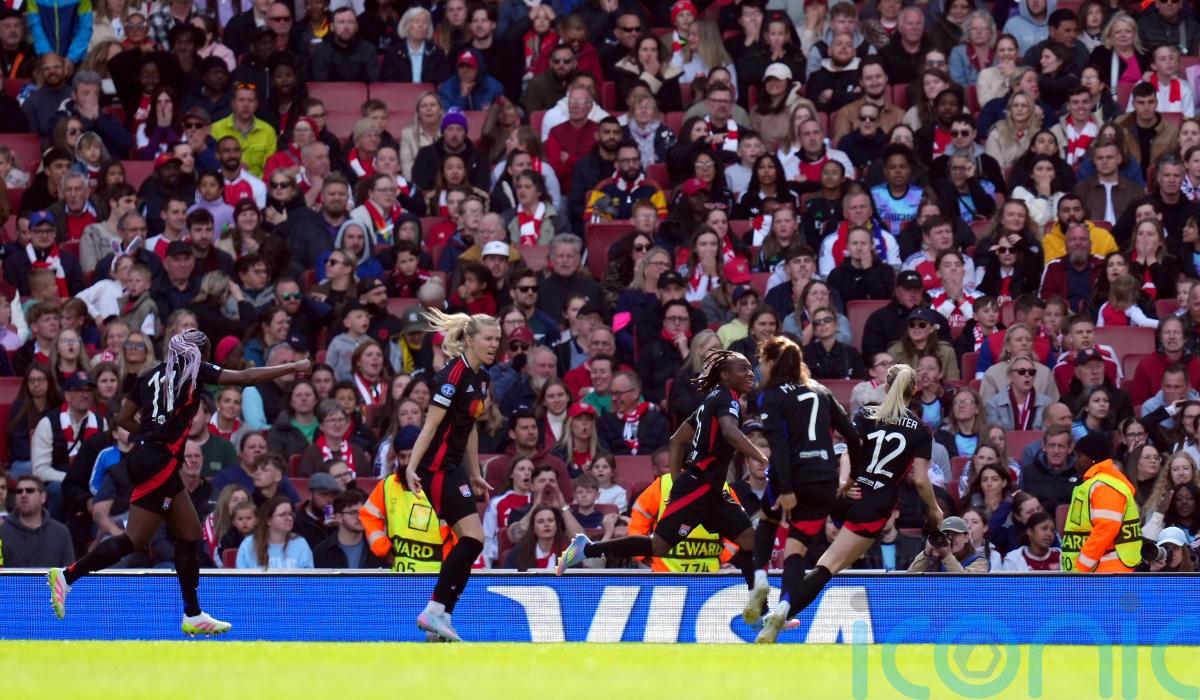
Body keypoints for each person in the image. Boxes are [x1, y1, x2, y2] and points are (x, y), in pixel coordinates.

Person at [48, 329, 312, 637]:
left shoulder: (150, 374)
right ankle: (68, 576)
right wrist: (293, 367)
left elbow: (124, 419)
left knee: (190, 533)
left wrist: (149, 435)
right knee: (135, 539)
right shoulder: (195, 370)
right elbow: (246, 377)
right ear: (199, 353)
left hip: (149, 457)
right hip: (159, 462)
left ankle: (193, 614)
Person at [557, 350, 768, 610]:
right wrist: (762, 457)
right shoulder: (728, 399)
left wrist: (678, 480)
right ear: (725, 375)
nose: (750, 373)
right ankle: (587, 549)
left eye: (750, 368)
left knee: (749, 539)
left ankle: (759, 611)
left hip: (709, 489)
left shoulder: (710, 401)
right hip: (700, 487)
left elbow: (676, 440)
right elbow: (729, 431)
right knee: (659, 546)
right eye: (743, 369)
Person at [755, 363, 942, 643]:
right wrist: (934, 508)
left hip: (845, 495)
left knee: (807, 546)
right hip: (874, 506)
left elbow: (846, 452)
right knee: (828, 566)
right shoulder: (921, 431)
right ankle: (779, 615)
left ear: (886, 386)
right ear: (914, 390)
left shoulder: (866, 414)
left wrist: (845, 481)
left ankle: (768, 587)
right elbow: (921, 480)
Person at [402, 309, 498, 642]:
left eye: (497, 339)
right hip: (436, 467)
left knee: (468, 543)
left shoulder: (482, 378)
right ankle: (435, 610)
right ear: (469, 339)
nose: (494, 344)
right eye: (488, 338)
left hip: (454, 467)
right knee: (474, 539)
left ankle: (440, 621)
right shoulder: (453, 375)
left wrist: (475, 472)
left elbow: (469, 427)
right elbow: (430, 425)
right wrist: (411, 467)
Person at [749, 336, 859, 621]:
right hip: (824, 480)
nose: (760, 366)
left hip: (793, 476)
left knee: (768, 520)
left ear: (771, 362)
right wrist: (853, 476)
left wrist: (786, 489)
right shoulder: (821, 391)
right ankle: (783, 608)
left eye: (762, 360)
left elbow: (779, 448)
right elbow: (852, 435)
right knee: (796, 547)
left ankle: (760, 579)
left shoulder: (771, 395)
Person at [1060, 433, 1143, 573]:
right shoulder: (1095, 483)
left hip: (1107, 571)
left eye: (1079, 455)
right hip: (1098, 570)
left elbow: (1107, 527)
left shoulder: (1104, 485)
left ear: (1092, 458)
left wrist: (1082, 567)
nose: (1075, 460)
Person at [0, 475, 75, 567]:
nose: (23, 495)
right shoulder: (2, 533)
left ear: (43, 497)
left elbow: (69, 572)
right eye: (19, 491)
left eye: (30, 490)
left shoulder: (61, 533)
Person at [906, 515, 991, 572]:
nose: (950, 538)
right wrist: (926, 553)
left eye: (955, 534)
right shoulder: (934, 560)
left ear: (966, 537)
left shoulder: (980, 562)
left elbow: (965, 584)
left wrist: (947, 556)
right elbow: (909, 580)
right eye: (946, 534)